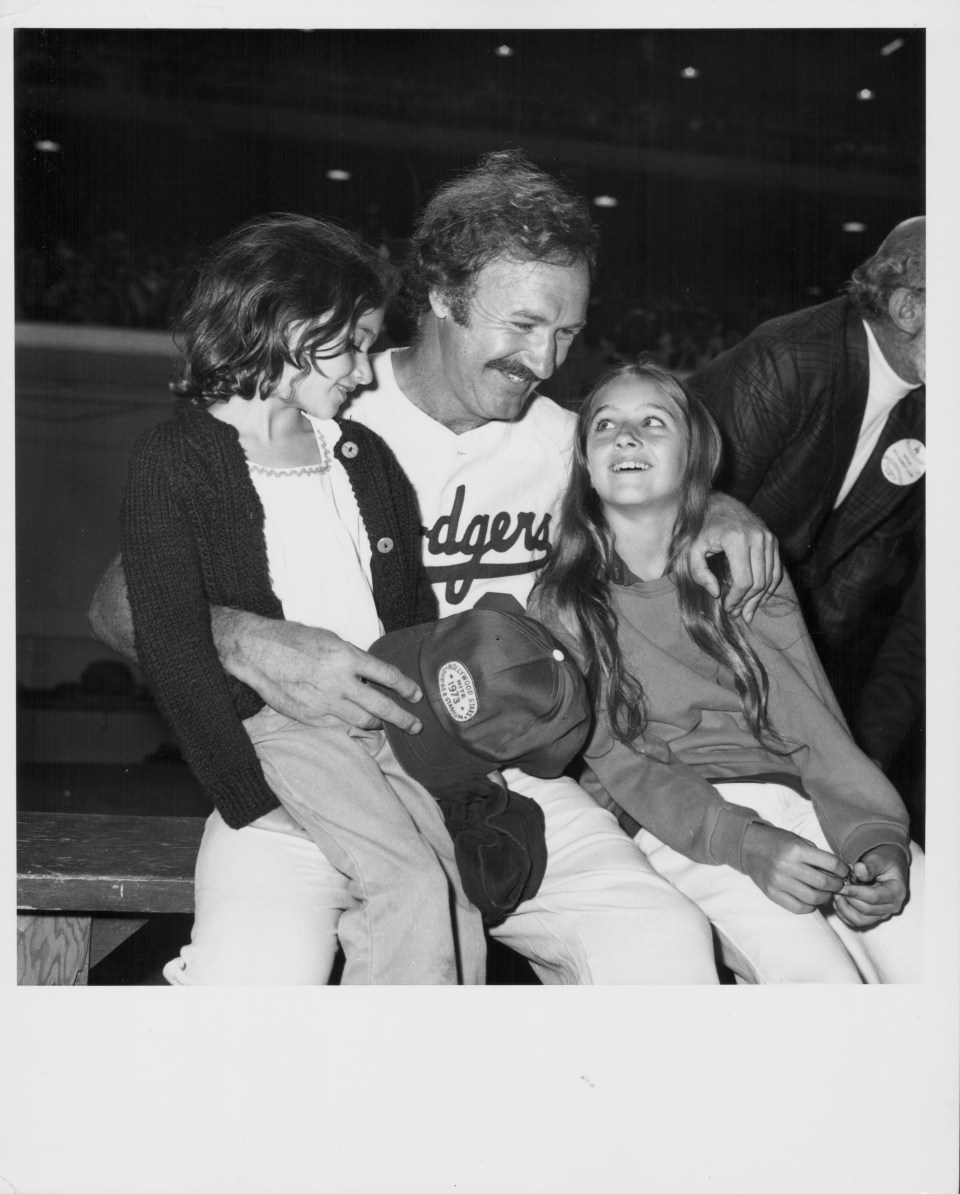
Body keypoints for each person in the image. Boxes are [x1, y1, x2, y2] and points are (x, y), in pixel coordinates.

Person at [90, 151, 778, 985]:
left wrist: (726, 512)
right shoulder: (323, 401)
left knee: (662, 943)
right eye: (522, 325)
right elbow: (119, 601)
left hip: (492, 777)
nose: (548, 358)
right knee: (257, 974)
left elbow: (680, 495)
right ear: (444, 298)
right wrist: (246, 638)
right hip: (304, 760)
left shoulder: (572, 442)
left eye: (567, 330)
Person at [119, 212, 486, 985]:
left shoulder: (362, 453)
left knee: (457, 898)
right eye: (351, 343)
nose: (365, 367)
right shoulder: (175, 460)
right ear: (284, 325)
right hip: (286, 729)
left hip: (384, 723)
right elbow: (174, 646)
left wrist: (437, 745)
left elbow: (410, 610)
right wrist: (247, 798)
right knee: (408, 889)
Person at [531, 359, 923, 982]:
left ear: (694, 456)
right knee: (823, 983)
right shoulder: (565, 604)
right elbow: (629, 766)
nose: (625, 436)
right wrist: (748, 842)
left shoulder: (742, 564)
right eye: (604, 425)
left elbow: (815, 723)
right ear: (583, 460)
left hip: (802, 794)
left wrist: (875, 837)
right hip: (688, 824)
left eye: (652, 423)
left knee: (930, 955)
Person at [687, 218, 925, 770]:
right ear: (908, 311)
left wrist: (800, 692)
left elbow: (859, 566)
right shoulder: (790, 357)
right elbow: (683, 517)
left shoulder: (931, 405)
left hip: (777, 640)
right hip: (691, 621)